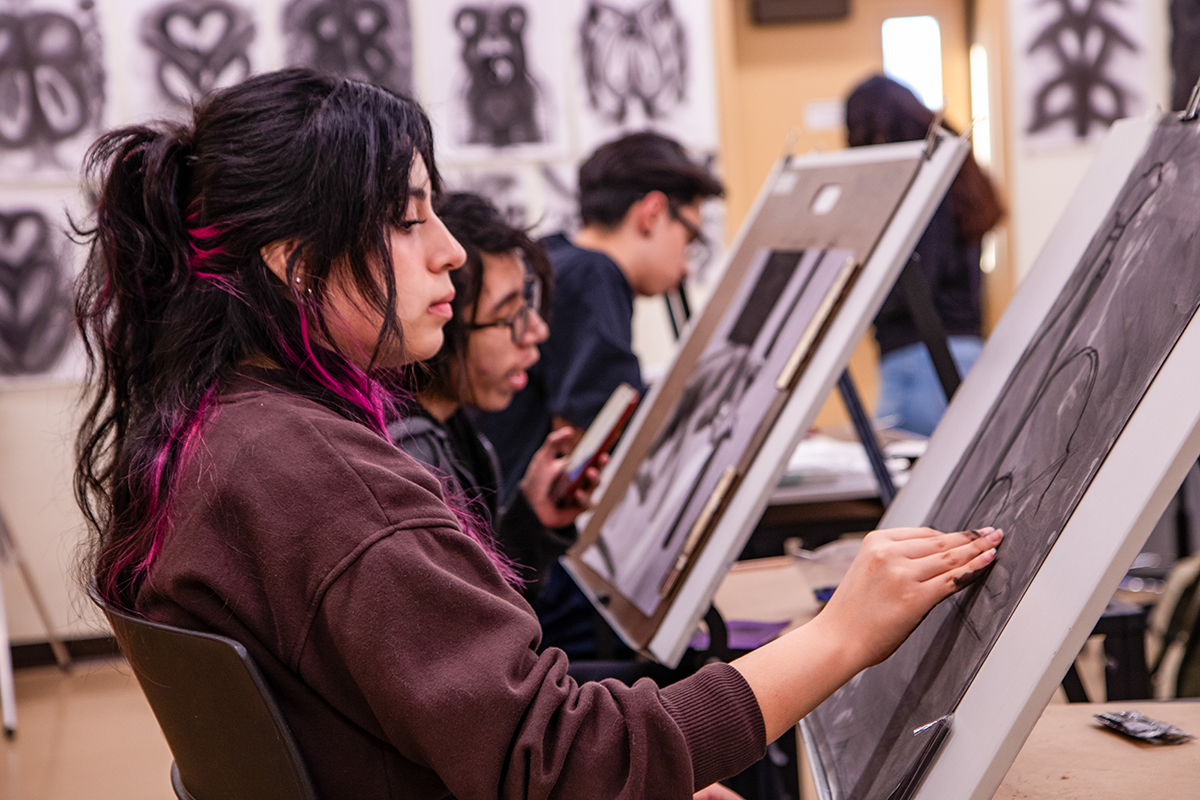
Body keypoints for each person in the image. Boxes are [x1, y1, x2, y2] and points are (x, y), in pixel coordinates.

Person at [74, 68, 1003, 800]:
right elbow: (561, 766)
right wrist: (840, 634)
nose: (449, 251)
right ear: (295, 264)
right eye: (407, 219)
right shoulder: (319, 474)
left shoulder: (218, 428)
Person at [479, 131, 721, 504]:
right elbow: (594, 434)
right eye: (688, 239)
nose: (686, 267)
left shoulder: (556, 257)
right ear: (652, 213)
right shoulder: (595, 275)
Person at [388, 191, 589, 600]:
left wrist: (532, 519)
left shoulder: (455, 431)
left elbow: (488, 613)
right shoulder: (410, 457)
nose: (536, 332)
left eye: (528, 306)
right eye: (508, 316)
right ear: (442, 318)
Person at [845, 75, 1005, 437]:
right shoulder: (956, 171)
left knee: (902, 486)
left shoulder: (920, 183)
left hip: (921, 361)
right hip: (964, 352)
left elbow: (916, 283)